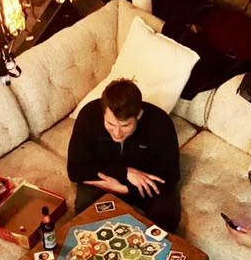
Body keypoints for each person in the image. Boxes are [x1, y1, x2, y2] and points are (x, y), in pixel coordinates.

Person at [67, 79, 181, 232]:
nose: (117, 133)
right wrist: (125, 172)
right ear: (103, 113)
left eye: (125, 125)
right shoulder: (88, 115)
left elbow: (171, 175)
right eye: (110, 124)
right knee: (85, 208)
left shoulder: (161, 123)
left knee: (166, 212)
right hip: (105, 178)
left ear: (138, 115)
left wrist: (125, 189)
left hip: (144, 184)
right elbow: (75, 170)